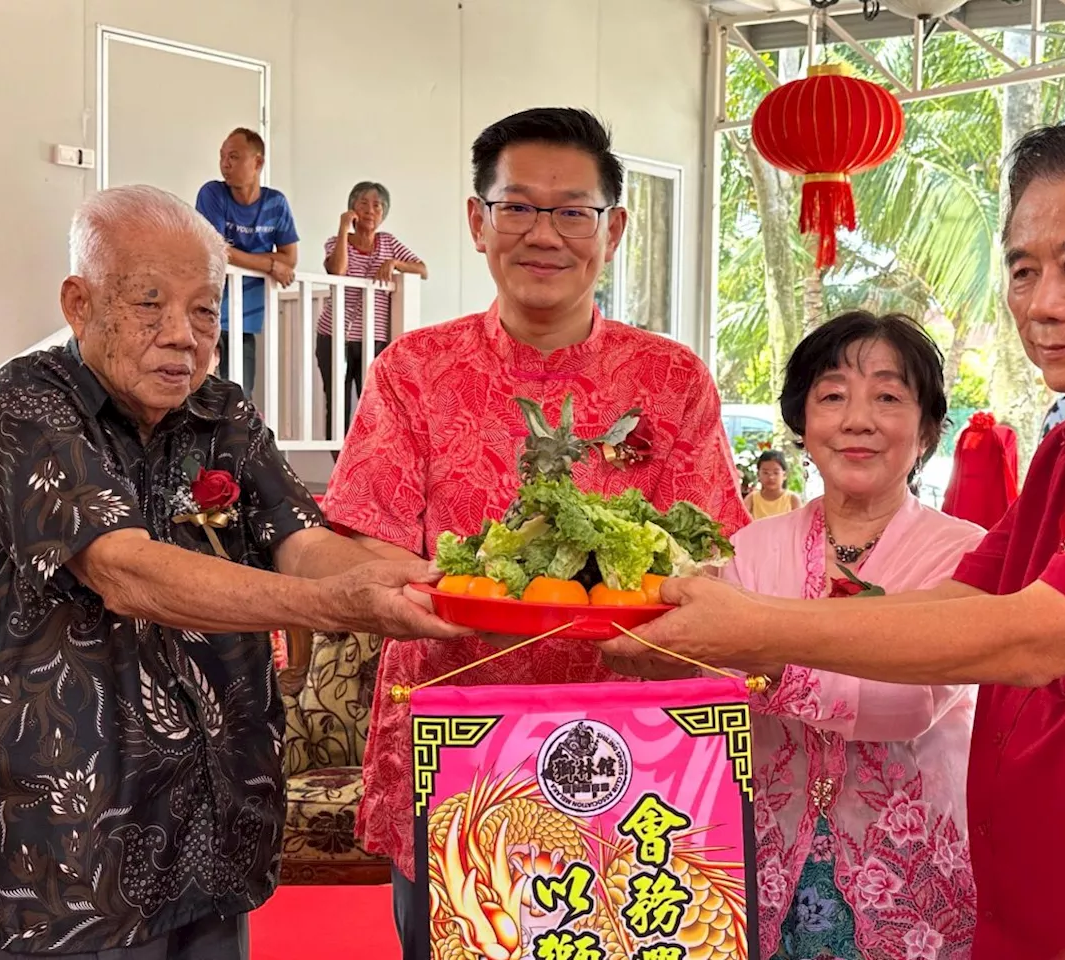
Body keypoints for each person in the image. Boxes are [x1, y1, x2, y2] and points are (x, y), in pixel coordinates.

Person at [601, 114, 1065, 959]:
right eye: (1023, 270)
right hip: (1025, 909)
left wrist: (751, 631)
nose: (1040, 303)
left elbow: (1030, 637)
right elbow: (962, 603)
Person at [316, 106, 750, 955]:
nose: (543, 233)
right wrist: (465, 580)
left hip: (635, 749)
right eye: (517, 207)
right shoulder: (413, 370)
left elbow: (710, 557)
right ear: (478, 222)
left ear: (613, 229)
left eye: (571, 211)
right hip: (457, 737)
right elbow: (365, 536)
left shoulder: (671, 378)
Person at [0, 185, 463, 958]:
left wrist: (430, 581)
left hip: (214, 833)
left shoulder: (225, 414)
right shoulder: (25, 406)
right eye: (149, 305)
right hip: (74, 856)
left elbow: (303, 540)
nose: (183, 336)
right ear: (78, 303)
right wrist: (335, 605)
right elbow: (126, 570)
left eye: (205, 310)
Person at [725, 312, 984, 959]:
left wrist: (765, 661)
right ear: (803, 421)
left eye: (888, 397)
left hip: (908, 871)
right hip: (762, 859)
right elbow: (710, 688)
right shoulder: (750, 546)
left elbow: (912, 701)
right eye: (833, 395)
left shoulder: (966, 553)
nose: (858, 420)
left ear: (926, 429)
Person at [317, 181, 427, 444]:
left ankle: (368, 457)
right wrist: (344, 229)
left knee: (374, 402)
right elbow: (338, 270)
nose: (370, 210)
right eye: (363, 204)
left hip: (374, 338)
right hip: (335, 335)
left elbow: (422, 270)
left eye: (377, 206)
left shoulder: (387, 242)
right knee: (337, 401)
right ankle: (339, 464)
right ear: (352, 208)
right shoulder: (335, 242)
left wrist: (394, 263)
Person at [195, 128, 299, 399]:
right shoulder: (213, 194)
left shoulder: (276, 203)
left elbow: (290, 258)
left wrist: (242, 255)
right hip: (207, 311)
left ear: (258, 162)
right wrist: (269, 264)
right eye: (222, 157)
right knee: (199, 391)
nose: (225, 164)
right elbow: (215, 248)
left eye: (234, 157)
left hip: (246, 318)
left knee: (240, 397)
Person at [743, 449, 801, 518]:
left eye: (776, 473)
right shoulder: (752, 498)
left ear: (784, 475)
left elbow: (799, 525)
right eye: (765, 473)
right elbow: (741, 520)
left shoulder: (792, 499)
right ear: (758, 475)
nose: (771, 477)